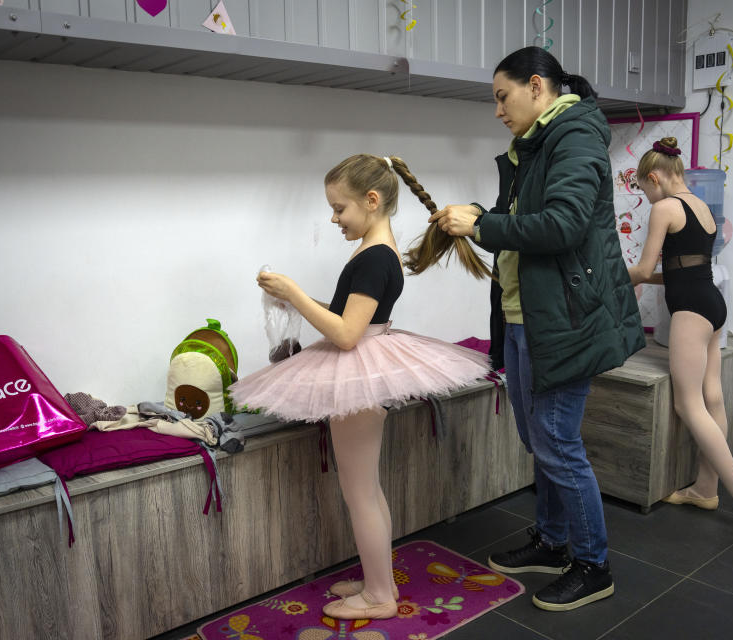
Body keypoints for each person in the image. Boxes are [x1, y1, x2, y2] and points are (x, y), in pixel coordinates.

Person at [426, 46, 644, 611]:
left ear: (538, 86)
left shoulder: (574, 136)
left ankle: (593, 563)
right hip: (528, 314)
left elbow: (565, 224)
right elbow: (520, 220)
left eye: (503, 96)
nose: (497, 110)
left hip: (563, 321)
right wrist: (475, 216)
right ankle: (552, 539)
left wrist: (484, 225)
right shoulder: (536, 144)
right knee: (537, 440)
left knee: (557, 443)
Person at [229, 154, 491, 620]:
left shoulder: (375, 256)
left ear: (371, 201)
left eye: (339, 209)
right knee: (366, 489)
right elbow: (349, 315)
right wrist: (294, 296)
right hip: (366, 363)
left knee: (361, 493)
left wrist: (294, 294)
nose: (333, 219)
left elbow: (347, 334)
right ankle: (379, 580)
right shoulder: (377, 250)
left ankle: (380, 597)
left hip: (357, 367)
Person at [627, 137, 733, 535]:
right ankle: (705, 489)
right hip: (713, 304)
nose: (647, 197)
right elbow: (681, 271)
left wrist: (607, 277)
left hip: (691, 311)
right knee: (712, 395)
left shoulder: (664, 208)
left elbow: (643, 271)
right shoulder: (703, 208)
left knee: (688, 405)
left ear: (654, 178)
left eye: (644, 189)